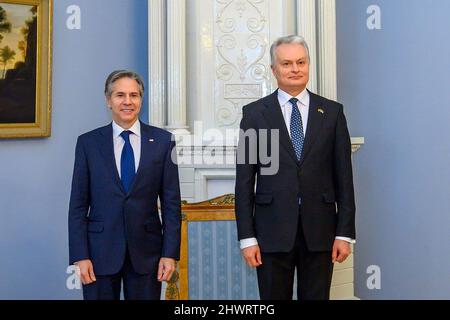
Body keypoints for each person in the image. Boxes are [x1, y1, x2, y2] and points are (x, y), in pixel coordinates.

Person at [235, 35, 356, 300]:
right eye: (287, 63)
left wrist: (345, 233)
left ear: (309, 65)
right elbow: (244, 181)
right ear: (273, 69)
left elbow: (344, 178)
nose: (295, 69)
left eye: (301, 62)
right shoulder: (255, 114)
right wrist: (247, 238)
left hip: (321, 232)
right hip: (270, 232)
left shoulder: (333, 113)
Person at [68, 70, 181, 300]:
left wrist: (169, 255)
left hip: (147, 254)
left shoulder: (162, 142)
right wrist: (81, 256)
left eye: (134, 95)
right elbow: (78, 206)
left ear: (141, 99)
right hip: (99, 254)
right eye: (120, 95)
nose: (128, 101)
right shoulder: (88, 143)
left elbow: (171, 205)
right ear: (108, 100)